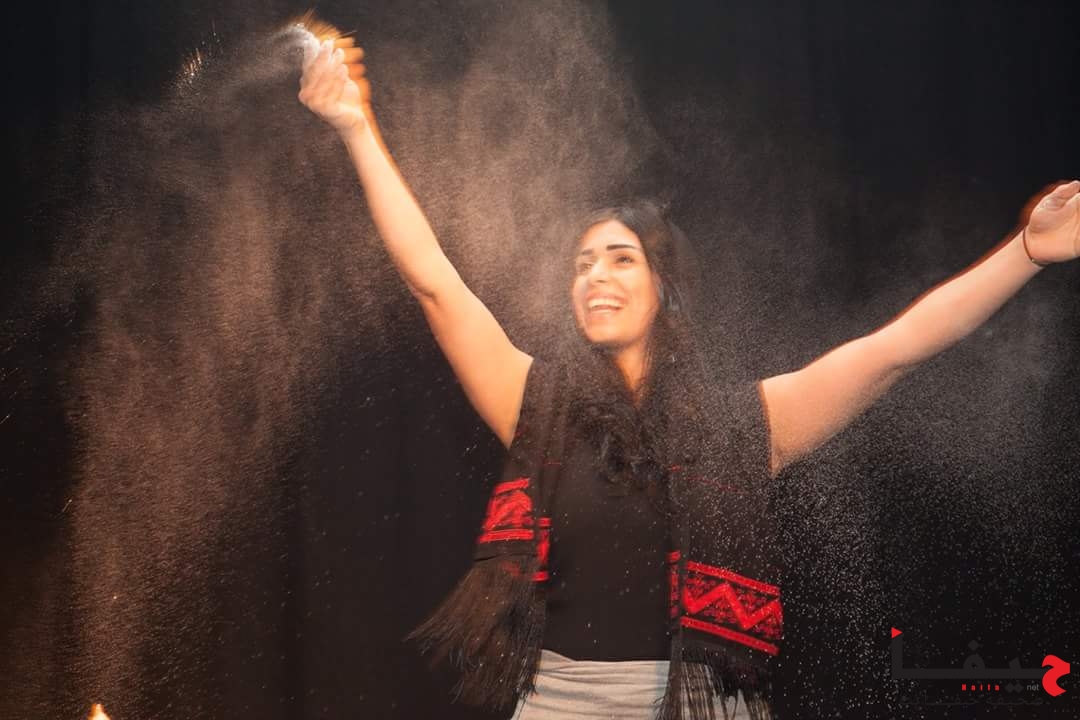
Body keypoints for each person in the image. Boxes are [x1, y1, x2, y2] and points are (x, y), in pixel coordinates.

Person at [297, 35, 1079, 720]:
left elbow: (895, 348)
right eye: (582, 264)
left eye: (620, 258)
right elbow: (434, 280)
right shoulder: (535, 405)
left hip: (705, 706)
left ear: (664, 287)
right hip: (560, 702)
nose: (595, 276)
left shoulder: (748, 424)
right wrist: (356, 127)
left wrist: (1025, 253)